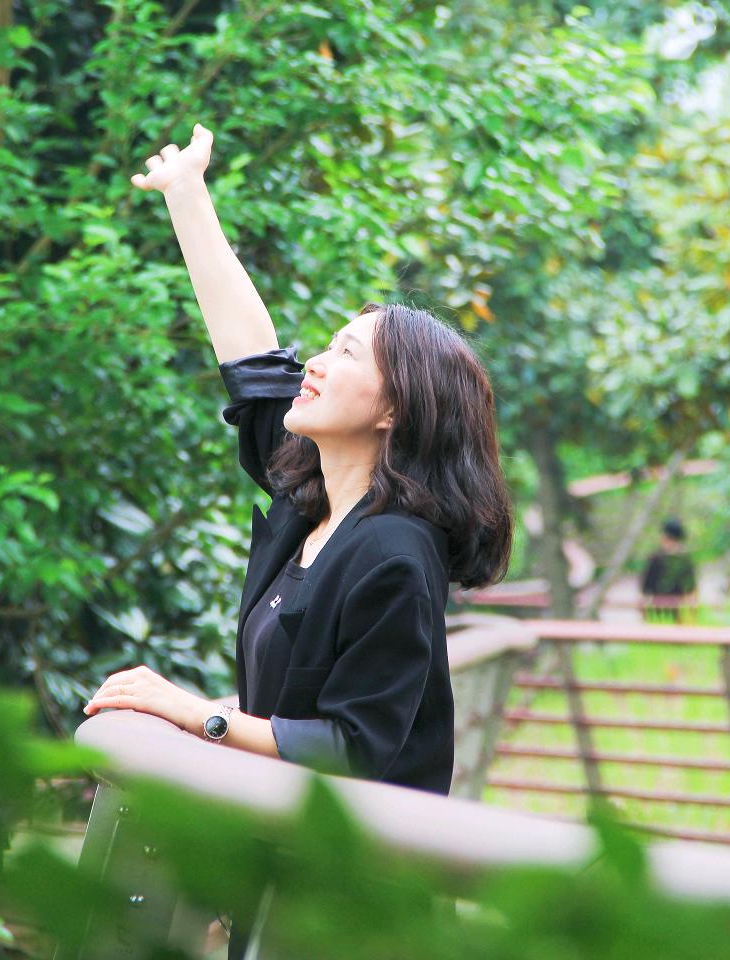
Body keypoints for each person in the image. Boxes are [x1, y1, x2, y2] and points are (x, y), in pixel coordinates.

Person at [82, 123, 514, 957]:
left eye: (344, 351)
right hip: (287, 881)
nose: (312, 362)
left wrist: (197, 714)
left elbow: (353, 748)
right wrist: (187, 196)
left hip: (364, 912)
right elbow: (252, 364)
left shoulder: (395, 552)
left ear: (392, 411)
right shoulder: (307, 505)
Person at [640, 517, 697, 620]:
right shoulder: (656, 558)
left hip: (671, 613)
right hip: (662, 612)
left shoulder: (683, 560)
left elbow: (691, 589)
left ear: (665, 536)